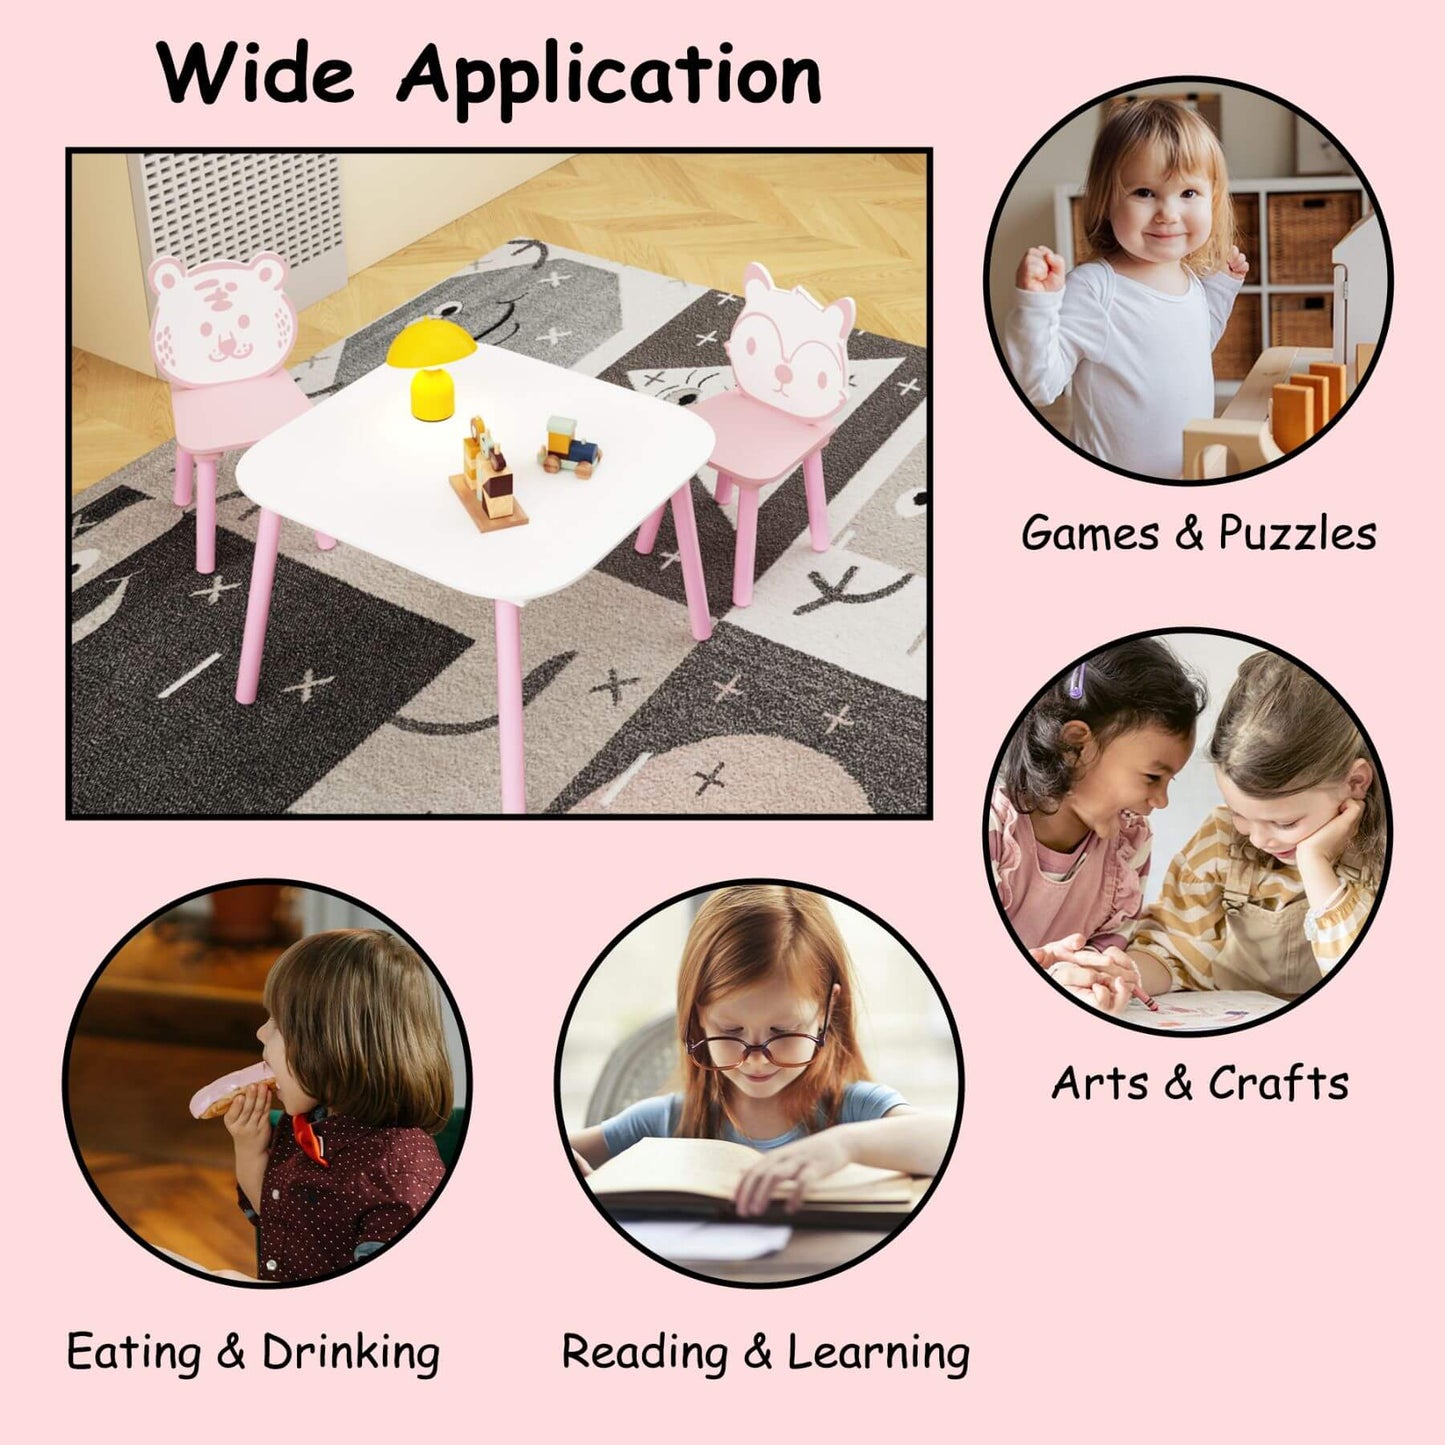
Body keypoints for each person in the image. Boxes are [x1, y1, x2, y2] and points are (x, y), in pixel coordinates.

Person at [569, 886, 950, 1217]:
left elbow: (948, 1139)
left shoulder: (858, 1111)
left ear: (827, 1011)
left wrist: (846, 1145)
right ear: (699, 1016)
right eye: (730, 1030)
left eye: (783, 1031)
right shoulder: (663, 1122)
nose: (756, 1058)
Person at [1057, 652, 1384, 1010]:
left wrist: (1315, 863)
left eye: (1285, 823)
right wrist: (1124, 971)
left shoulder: (1381, 852)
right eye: (1240, 814)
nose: (1258, 839)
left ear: (1355, 782)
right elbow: (1173, 951)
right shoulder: (1223, 840)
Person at [1005, 98, 1249, 478]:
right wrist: (1038, 306)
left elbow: (1196, 347)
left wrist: (1220, 289)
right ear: (1105, 200)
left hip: (1188, 474)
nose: (1168, 213)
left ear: (1212, 200)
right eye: (1144, 193)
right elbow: (1036, 386)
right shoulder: (1096, 289)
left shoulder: (1190, 281)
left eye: (1188, 193)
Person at [223, 929, 453, 1282]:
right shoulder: (309, 1122)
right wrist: (249, 1149)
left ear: (332, 1048)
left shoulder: (397, 1180)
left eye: (278, 1025)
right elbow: (279, 1223)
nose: (260, 1034)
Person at [991, 638, 1207, 1009]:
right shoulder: (995, 831)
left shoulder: (1130, 845)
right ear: (1076, 746)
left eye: (1170, 782)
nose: (1161, 801)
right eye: (1153, 777)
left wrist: (1107, 976)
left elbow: (1107, 947)